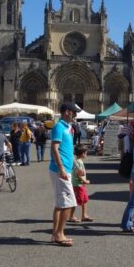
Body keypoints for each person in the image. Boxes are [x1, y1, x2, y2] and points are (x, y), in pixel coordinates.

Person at [49, 102, 79, 247]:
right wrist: (61, 169)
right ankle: (60, 234)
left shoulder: (68, 127)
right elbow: (54, 148)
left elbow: (68, 149)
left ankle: (55, 233)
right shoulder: (59, 126)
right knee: (69, 203)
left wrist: (75, 164)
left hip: (65, 169)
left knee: (60, 204)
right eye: (74, 112)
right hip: (59, 170)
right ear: (67, 112)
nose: (76, 115)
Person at [69, 144, 92, 223]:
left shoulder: (79, 161)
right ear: (83, 153)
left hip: (81, 185)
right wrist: (85, 181)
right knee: (76, 201)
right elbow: (78, 174)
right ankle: (71, 216)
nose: (86, 154)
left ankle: (84, 215)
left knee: (84, 200)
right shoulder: (79, 162)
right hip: (78, 185)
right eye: (86, 153)